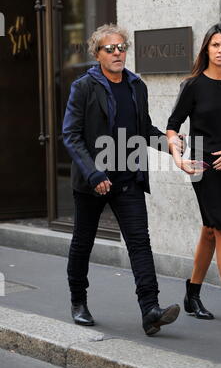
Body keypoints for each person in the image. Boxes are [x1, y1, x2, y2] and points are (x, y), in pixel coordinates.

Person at [62, 23, 180, 336]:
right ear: (97, 54)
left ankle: (150, 310)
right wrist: (94, 172)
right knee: (83, 243)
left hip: (128, 178)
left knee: (140, 243)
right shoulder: (84, 87)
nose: (117, 53)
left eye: (121, 48)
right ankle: (78, 301)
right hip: (92, 181)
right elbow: (71, 135)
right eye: (109, 49)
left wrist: (177, 147)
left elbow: (145, 132)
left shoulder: (136, 86)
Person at [166, 23, 221, 334]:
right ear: (206, 49)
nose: (220, 51)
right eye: (215, 45)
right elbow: (173, 125)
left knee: (209, 231)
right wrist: (178, 157)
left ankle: (192, 294)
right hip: (204, 165)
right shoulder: (193, 85)